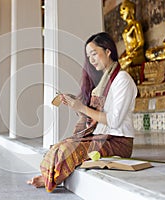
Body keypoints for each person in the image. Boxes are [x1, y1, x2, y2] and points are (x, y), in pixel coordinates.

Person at [27, 32, 138, 192]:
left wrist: (81, 107)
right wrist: (77, 106)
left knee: (67, 150)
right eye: (88, 56)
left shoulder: (122, 79)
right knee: (59, 146)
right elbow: (94, 118)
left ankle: (49, 178)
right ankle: (48, 176)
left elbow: (114, 121)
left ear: (108, 51)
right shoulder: (103, 81)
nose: (91, 60)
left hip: (118, 142)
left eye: (94, 53)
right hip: (102, 137)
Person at [119, 0, 145, 69]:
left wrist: (132, 53)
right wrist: (124, 55)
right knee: (118, 64)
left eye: (124, 9)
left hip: (137, 54)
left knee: (128, 62)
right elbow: (127, 47)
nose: (121, 12)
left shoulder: (135, 24)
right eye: (120, 10)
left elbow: (141, 43)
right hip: (129, 55)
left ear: (130, 9)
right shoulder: (125, 29)